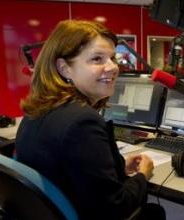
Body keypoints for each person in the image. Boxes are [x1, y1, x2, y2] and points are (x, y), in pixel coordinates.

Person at [15, 20, 163, 219]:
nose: (112, 67)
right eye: (97, 59)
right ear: (64, 68)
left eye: (112, 57)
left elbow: (70, 169)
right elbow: (116, 208)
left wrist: (118, 166)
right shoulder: (81, 122)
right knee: (153, 212)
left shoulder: (39, 110)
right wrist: (142, 176)